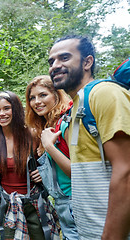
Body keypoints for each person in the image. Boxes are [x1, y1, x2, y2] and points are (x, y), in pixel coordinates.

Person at [48, 35, 130, 239]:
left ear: (87, 62)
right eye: (51, 61)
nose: (55, 66)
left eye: (64, 58)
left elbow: (126, 170)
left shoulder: (104, 94)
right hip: (88, 231)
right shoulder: (77, 105)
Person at [0, 91, 60, 240]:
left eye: (7, 108)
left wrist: (42, 173)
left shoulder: (32, 135)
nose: (2, 114)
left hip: (33, 204)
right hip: (7, 206)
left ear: (16, 110)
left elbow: (50, 163)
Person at [25, 75, 78, 239]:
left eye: (43, 95)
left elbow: (77, 172)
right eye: (32, 98)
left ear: (57, 94)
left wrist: (48, 146)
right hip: (62, 204)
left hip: (75, 202)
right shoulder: (48, 126)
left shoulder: (66, 123)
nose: (36, 102)